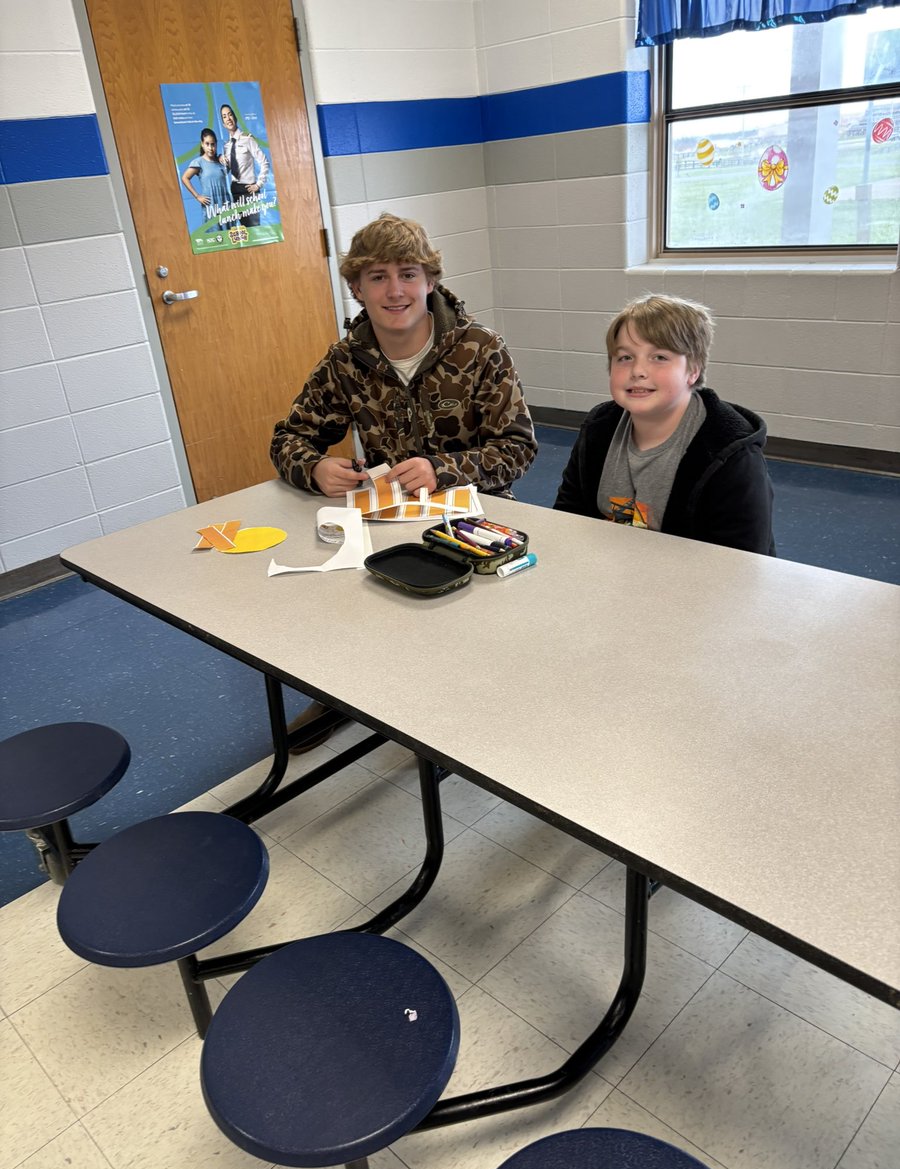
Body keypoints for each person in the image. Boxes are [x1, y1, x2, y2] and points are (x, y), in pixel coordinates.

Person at [271, 212, 537, 746]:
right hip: (390, 519)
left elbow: (518, 448)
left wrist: (443, 469)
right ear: (356, 287)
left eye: (408, 274)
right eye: (377, 277)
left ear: (430, 280)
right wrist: (315, 467)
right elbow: (288, 439)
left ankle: (479, 714)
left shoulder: (480, 348)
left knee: (479, 636)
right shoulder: (346, 360)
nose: (395, 291)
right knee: (352, 595)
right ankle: (344, 693)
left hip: (477, 519)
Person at [554, 294, 774, 554]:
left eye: (659, 357)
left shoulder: (731, 456)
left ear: (693, 370)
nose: (638, 371)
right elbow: (568, 517)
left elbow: (741, 561)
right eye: (625, 357)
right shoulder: (599, 427)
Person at [220, 103, 269, 227]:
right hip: (235, 189)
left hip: (248, 189)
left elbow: (264, 162)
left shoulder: (247, 139)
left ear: (235, 117)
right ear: (223, 123)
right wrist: (222, 162)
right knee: (242, 229)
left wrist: (258, 184)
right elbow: (226, 171)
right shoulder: (226, 146)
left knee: (253, 228)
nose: (228, 118)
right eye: (224, 116)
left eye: (230, 114)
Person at [180, 128, 231, 228]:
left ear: (216, 144)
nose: (210, 148)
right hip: (211, 205)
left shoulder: (220, 162)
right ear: (202, 144)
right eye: (207, 144)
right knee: (213, 235)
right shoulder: (199, 162)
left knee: (229, 234)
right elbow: (185, 177)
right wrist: (197, 196)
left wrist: (223, 159)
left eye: (213, 144)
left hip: (225, 203)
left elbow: (226, 174)